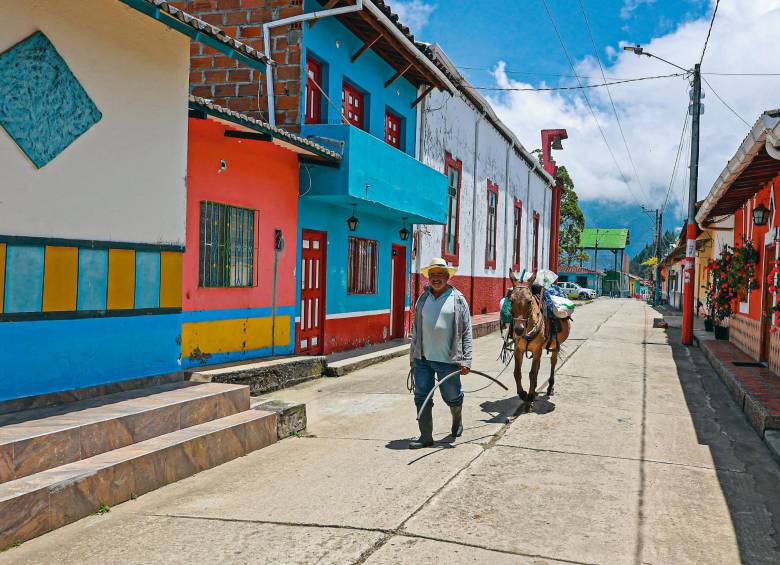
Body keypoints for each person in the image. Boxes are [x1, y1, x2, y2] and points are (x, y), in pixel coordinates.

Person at [408, 257, 473, 449]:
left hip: (448, 360)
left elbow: (467, 331)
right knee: (421, 396)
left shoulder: (458, 299)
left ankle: (457, 419)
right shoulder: (423, 299)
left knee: (452, 395)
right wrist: (413, 356)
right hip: (423, 359)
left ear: (447, 277)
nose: (436, 278)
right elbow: (416, 329)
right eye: (432, 275)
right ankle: (425, 436)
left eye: (440, 275)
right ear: (428, 278)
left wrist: (466, 360)